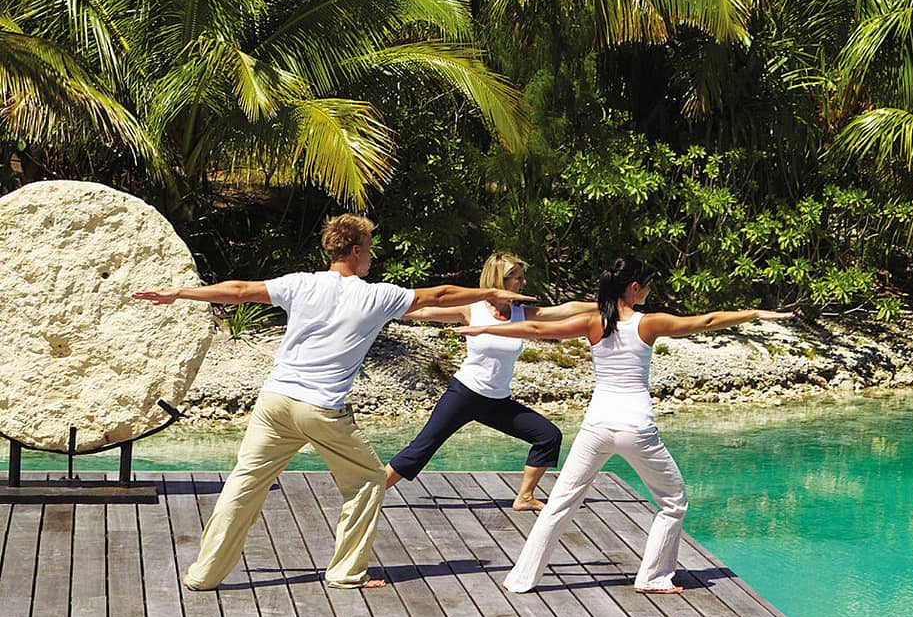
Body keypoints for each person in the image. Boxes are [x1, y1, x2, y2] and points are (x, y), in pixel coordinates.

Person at [133, 214, 532, 591]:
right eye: (370, 247)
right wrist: (490, 292)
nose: (372, 255)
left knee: (244, 484)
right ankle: (346, 573)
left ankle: (204, 574)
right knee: (368, 482)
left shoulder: (300, 283)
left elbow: (239, 291)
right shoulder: (378, 296)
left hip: (274, 402)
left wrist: (180, 293)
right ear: (356, 250)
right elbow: (442, 294)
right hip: (320, 409)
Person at [451, 255, 792, 595]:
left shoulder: (593, 321)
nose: (648, 291)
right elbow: (707, 320)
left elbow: (537, 329)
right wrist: (754, 313)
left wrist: (484, 327)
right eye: (646, 285)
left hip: (596, 427)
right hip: (636, 429)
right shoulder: (649, 323)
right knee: (674, 502)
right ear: (633, 288)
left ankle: (520, 579)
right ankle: (653, 578)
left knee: (559, 504)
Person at [385, 252, 593, 511]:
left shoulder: (522, 314)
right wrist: (383, 309)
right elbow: (425, 311)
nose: (523, 282)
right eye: (517, 278)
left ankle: (525, 497)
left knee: (548, 436)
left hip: (497, 402)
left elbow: (566, 310)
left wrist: (612, 305)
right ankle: (370, 493)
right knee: (421, 449)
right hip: (464, 395)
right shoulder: (472, 310)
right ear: (499, 281)